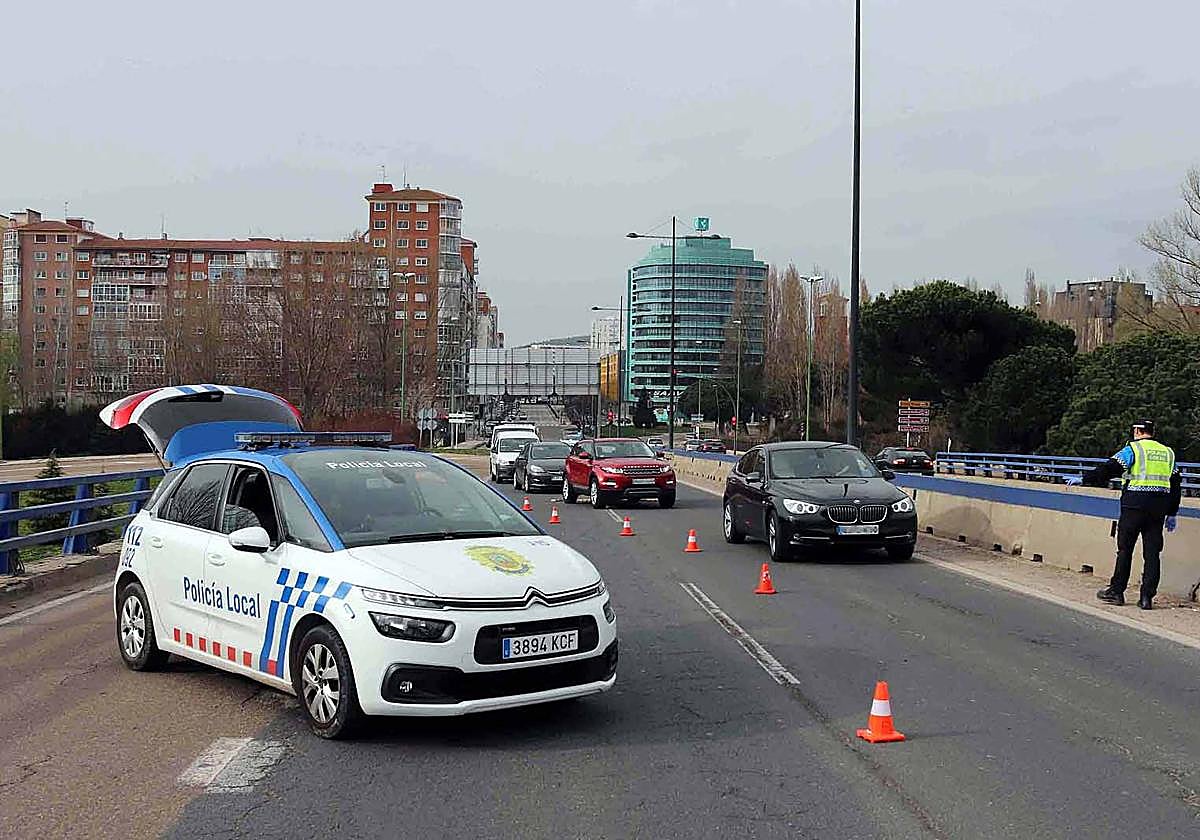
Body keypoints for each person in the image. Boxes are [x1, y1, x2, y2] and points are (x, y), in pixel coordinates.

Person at [1065, 420, 1181, 610]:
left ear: (1137, 431)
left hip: (1133, 506)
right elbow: (1176, 485)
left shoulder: (1133, 450)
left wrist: (1084, 479)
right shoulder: (1168, 453)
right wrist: (1172, 512)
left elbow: (1110, 468)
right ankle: (1146, 598)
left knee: (1125, 550)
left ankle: (1117, 592)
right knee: (1152, 554)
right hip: (1157, 509)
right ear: (1153, 432)